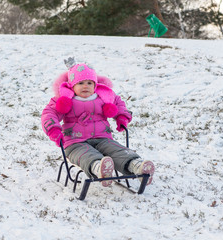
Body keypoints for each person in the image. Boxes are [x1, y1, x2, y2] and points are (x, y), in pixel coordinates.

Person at [41, 58, 155, 187]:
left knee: (115, 149)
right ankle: (99, 168)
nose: (85, 86)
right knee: (85, 154)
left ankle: (136, 165)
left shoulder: (104, 96)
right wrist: (53, 129)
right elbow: (49, 113)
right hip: (75, 142)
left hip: (102, 138)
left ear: (95, 85)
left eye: (89, 83)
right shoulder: (64, 99)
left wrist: (122, 116)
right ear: (72, 85)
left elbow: (119, 104)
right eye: (81, 83)